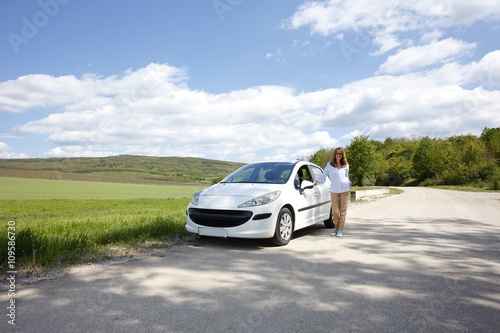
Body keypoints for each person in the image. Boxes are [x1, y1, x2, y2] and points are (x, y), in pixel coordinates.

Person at [313, 147, 352, 237]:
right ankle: (336, 228)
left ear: (342, 155)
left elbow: (347, 176)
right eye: (337, 153)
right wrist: (315, 182)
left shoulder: (346, 165)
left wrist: (350, 183)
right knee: (334, 210)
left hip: (345, 189)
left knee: (343, 210)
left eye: (340, 154)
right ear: (334, 155)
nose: (338, 155)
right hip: (334, 190)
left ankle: (340, 230)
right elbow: (323, 175)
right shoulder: (329, 165)